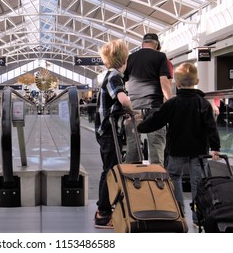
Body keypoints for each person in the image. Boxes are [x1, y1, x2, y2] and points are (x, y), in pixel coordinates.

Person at [137, 62, 221, 227]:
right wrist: (215, 148)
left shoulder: (173, 103)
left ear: (178, 82)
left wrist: (140, 126)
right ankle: (199, 218)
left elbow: (157, 120)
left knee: (174, 177)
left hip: (176, 149)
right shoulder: (203, 103)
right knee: (199, 182)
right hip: (199, 151)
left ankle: (179, 211)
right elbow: (211, 127)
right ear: (196, 80)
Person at [94, 39, 132, 228]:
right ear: (124, 60)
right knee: (109, 171)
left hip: (106, 131)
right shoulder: (114, 77)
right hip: (108, 132)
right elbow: (123, 99)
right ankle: (103, 213)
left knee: (109, 169)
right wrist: (132, 109)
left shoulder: (108, 76)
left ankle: (103, 209)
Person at [124, 33, 172, 165]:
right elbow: (164, 81)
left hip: (134, 106)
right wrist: (169, 100)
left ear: (142, 43)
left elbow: (123, 79)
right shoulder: (160, 56)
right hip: (154, 105)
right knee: (156, 144)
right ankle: (157, 180)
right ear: (157, 45)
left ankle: (130, 178)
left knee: (132, 144)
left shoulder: (131, 57)